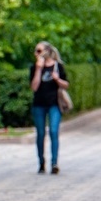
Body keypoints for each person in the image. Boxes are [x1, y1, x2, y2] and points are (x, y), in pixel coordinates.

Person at [30, 41, 69, 174]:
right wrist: (39, 69)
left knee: (53, 131)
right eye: (36, 51)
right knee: (40, 134)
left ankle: (54, 163)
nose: (36, 54)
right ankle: (41, 163)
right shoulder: (34, 67)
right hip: (39, 104)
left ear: (47, 51)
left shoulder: (58, 66)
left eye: (39, 51)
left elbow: (66, 85)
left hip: (54, 104)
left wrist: (57, 79)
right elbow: (34, 87)